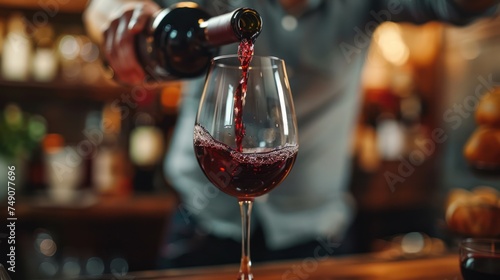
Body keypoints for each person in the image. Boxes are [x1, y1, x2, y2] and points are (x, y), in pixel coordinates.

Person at [83, 0, 499, 269]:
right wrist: (122, 14)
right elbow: (100, 7)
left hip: (315, 235)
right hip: (202, 226)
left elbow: (462, 7)